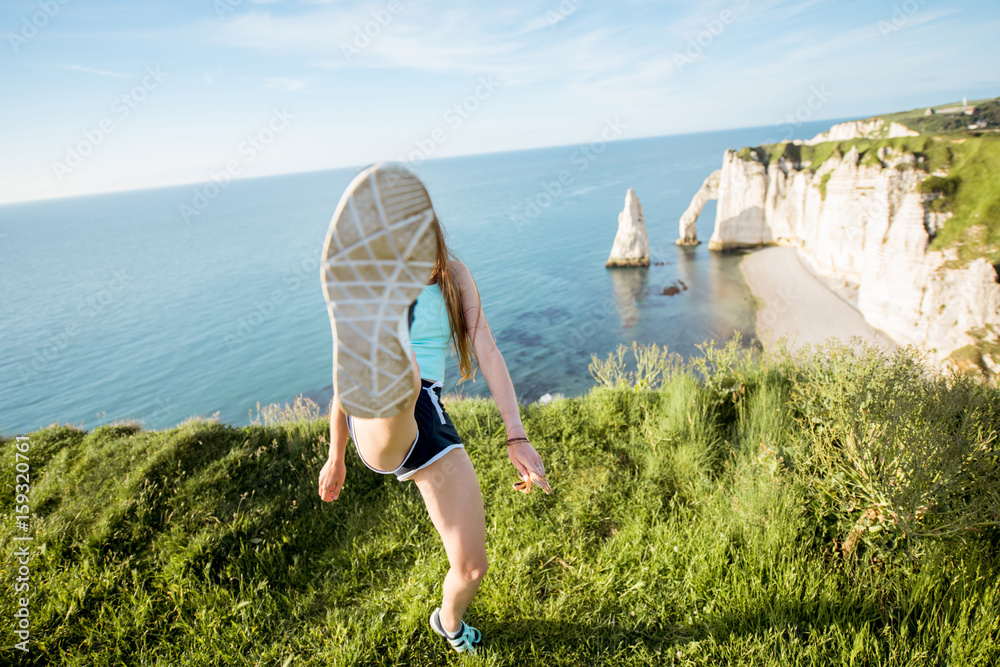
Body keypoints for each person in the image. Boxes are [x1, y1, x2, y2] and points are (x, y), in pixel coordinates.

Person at [316, 162, 550, 655]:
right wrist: (336, 455)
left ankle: (448, 624)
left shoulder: (457, 277)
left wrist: (517, 434)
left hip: (430, 416)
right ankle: (384, 355)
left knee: (471, 567)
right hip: (379, 412)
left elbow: (487, 350)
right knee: (395, 379)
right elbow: (344, 381)